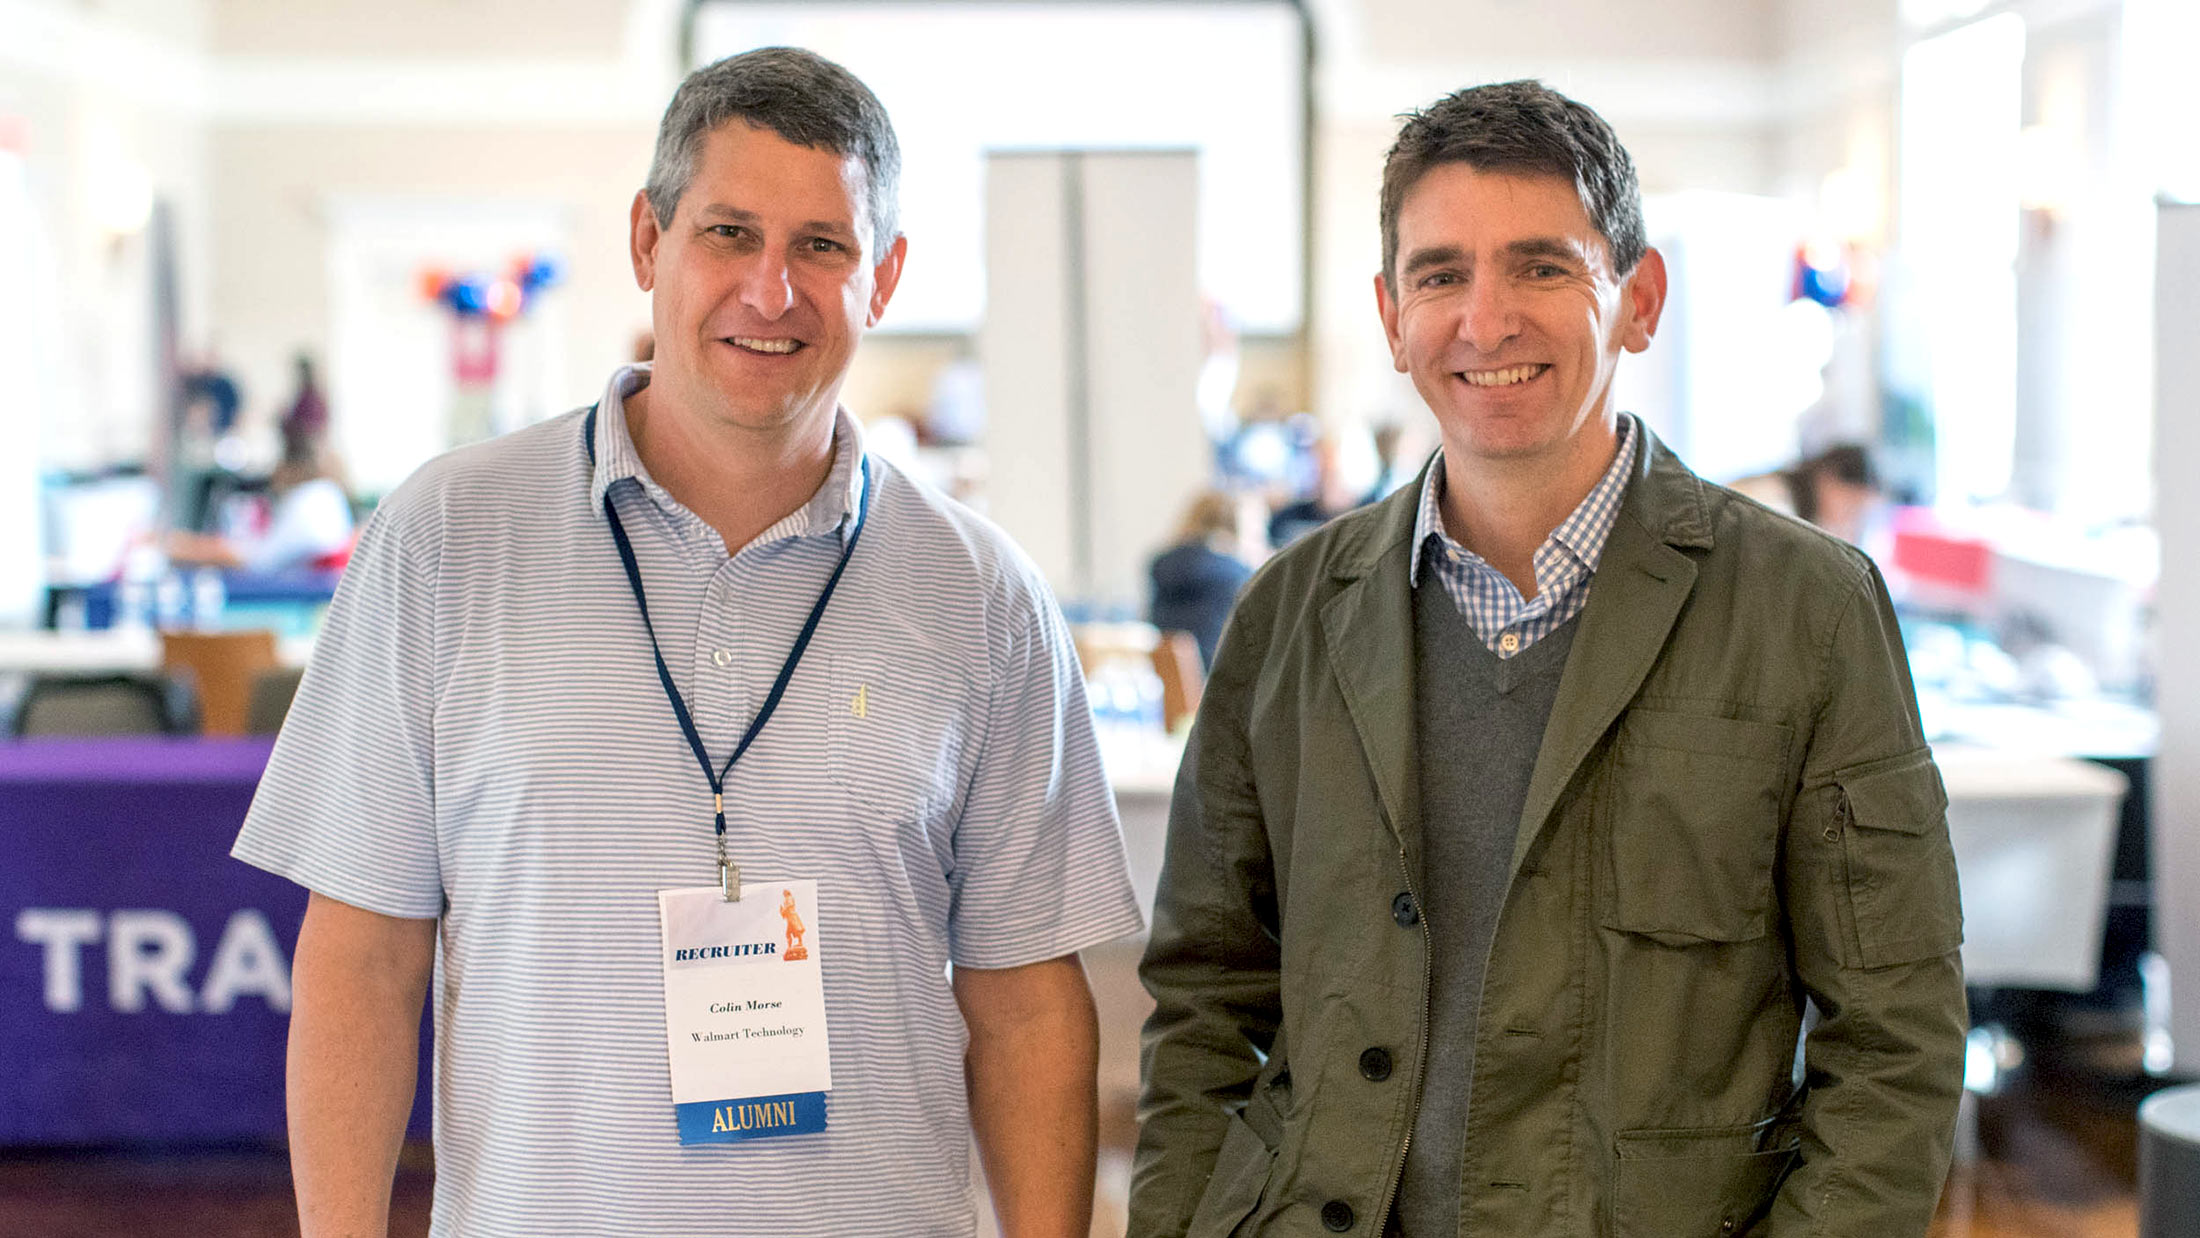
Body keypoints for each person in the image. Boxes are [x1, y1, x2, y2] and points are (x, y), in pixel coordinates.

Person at [235, 48, 1142, 1237]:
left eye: (824, 244)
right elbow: (362, 959)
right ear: (648, 242)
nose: (772, 290)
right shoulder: (445, 536)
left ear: (887, 276)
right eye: (729, 233)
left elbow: (1025, 1003)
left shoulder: (984, 596)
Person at [1132, 80, 1964, 1238]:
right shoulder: (1287, 615)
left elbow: (1896, 1033)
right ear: (1389, 314)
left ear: (1638, 297)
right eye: (1439, 275)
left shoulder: (1804, 608)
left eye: (1540, 266)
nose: (1485, 318)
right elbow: (1205, 999)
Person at [169, 353, 354, 574]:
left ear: (290, 464)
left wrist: (181, 548)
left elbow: (256, 561)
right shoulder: (326, 495)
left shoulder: (309, 502)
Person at [1148, 490, 1261, 669]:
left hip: (1166, 681)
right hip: (1216, 683)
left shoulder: (1160, 564)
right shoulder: (1235, 575)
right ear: (1235, 527)